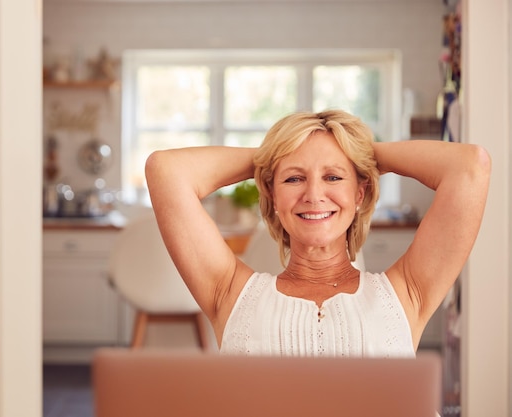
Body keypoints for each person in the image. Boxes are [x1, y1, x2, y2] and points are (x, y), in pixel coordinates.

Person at [144, 110, 490, 357]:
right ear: (273, 196)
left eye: (334, 177)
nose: (313, 195)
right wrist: (272, 157)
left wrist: (362, 155)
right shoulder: (230, 293)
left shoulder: (406, 293)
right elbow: (166, 170)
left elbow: (470, 166)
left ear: (359, 194)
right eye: (293, 178)